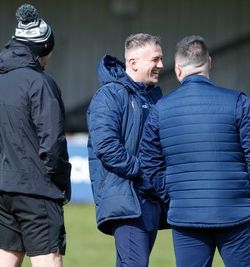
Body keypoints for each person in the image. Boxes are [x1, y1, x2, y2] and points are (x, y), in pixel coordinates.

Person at [140, 35, 250, 267]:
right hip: (239, 215)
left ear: (178, 69)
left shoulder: (160, 110)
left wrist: (172, 195)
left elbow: (149, 161)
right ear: (208, 62)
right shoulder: (238, 102)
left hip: (187, 217)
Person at [0, 4, 71, 267]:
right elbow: (52, 143)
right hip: (37, 190)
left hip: (1, 190)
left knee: (5, 262)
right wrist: (56, 181)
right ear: (43, 48)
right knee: (48, 259)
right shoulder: (41, 84)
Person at [87, 33, 165, 267]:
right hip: (128, 200)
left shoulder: (154, 97)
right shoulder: (109, 95)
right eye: (155, 59)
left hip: (149, 198)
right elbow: (107, 147)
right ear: (133, 63)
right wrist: (144, 171)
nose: (161, 65)